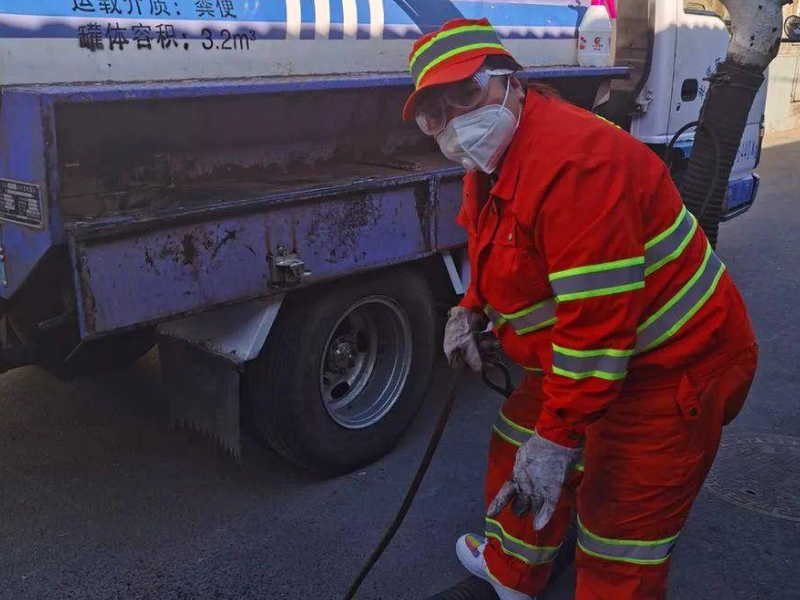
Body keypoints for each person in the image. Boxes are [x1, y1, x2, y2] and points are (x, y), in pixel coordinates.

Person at [402, 17, 759, 600]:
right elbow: (492, 244)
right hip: (596, 359)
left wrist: (559, 437)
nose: (454, 123)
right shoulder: (495, 161)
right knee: (518, 442)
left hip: (673, 372)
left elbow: (597, 329)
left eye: (466, 94)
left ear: (512, 82)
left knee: (619, 530)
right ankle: (513, 573)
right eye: (434, 113)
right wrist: (470, 308)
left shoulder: (577, 163)